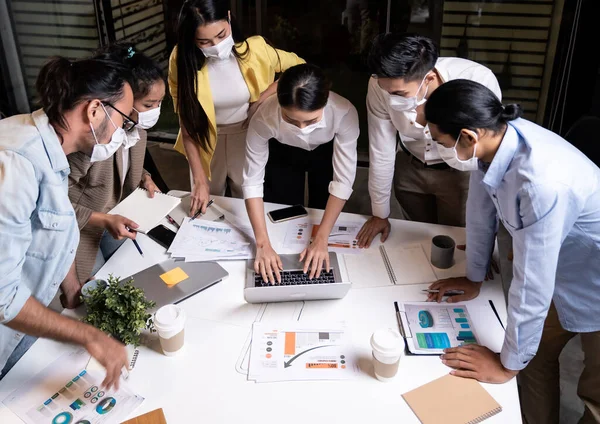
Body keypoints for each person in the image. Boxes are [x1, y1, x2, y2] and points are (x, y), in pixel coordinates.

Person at [423, 80, 600, 424]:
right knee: (530, 361)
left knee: (596, 395)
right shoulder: (496, 137)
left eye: (440, 140)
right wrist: (474, 276)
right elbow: (479, 210)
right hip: (563, 268)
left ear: (468, 136)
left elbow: (532, 283)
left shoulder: (541, 183)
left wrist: (504, 367)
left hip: (594, 278)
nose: (436, 146)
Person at [0, 55, 135, 389]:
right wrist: (88, 336)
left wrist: (73, 289)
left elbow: (54, 232)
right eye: (123, 119)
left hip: (22, 324)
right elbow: (2, 297)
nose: (123, 131)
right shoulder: (18, 163)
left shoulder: (51, 147)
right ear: (94, 111)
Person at [357, 33, 501, 248]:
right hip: (410, 167)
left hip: (461, 174)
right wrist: (379, 212)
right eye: (387, 91)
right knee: (420, 239)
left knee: (459, 241)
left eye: (399, 93)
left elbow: (482, 156)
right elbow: (380, 149)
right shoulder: (380, 84)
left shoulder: (476, 79)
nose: (390, 97)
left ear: (429, 78)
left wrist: (429, 123)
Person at [168, 0, 305, 216]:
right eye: (204, 41)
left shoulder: (256, 49)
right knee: (205, 207)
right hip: (204, 140)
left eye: (221, 35)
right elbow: (187, 123)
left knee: (246, 206)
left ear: (229, 18)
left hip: (247, 135)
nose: (216, 46)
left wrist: (263, 96)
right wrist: (199, 178)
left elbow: (300, 68)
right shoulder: (181, 59)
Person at [243, 64, 359, 283]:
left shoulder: (344, 112)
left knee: (323, 203)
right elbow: (252, 181)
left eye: (311, 120)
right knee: (282, 210)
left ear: (325, 102)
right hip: (282, 150)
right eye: (291, 120)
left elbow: (343, 180)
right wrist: (263, 244)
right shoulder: (264, 117)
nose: (302, 127)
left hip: (326, 150)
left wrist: (321, 238)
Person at [68, 44, 165, 282]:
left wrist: (145, 176)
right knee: (95, 291)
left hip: (115, 217)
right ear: (125, 99)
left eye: (161, 103)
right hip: (80, 228)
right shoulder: (93, 138)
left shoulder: (137, 129)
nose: (155, 111)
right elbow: (57, 204)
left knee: (132, 272)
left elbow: (122, 164)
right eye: (149, 105)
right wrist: (104, 220)